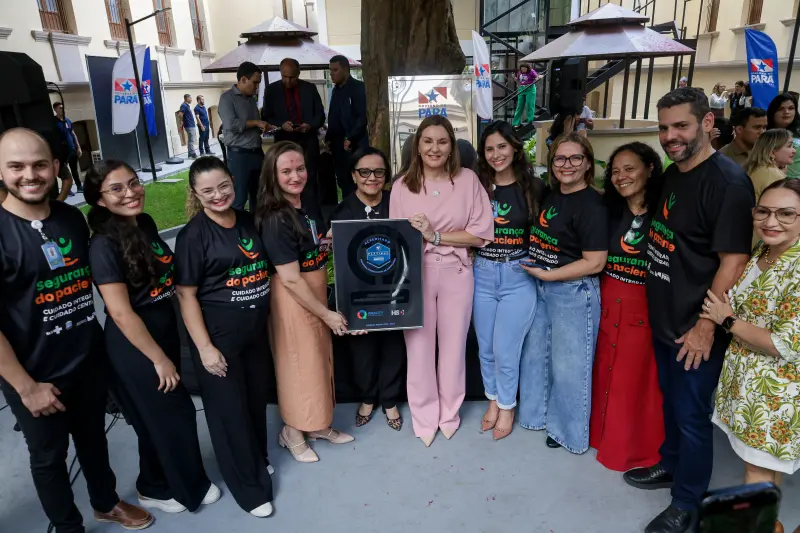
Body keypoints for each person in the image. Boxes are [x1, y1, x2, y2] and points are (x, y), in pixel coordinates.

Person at [0, 128, 153, 532]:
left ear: (55, 167)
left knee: (93, 440)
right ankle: (68, 527)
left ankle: (106, 503)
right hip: (34, 373)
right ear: (1, 171)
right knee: (49, 457)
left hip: (87, 360)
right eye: (16, 166)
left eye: (39, 165)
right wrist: (26, 387)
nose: (29, 175)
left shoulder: (70, 219)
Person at [623, 88, 754, 533]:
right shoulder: (674, 173)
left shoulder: (728, 184)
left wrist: (705, 326)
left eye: (681, 125)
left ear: (708, 123)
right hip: (667, 318)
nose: (670, 136)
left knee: (693, 416)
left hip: (695, 327)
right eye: (664, 128)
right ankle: (672, 464)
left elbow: (733, 262)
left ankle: (687, 503)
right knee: (673, 404)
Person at [84, 160, 219, 514]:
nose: (130, 192)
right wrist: (158, 359)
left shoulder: (143, 223)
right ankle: (187, 487)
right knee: (176, 414)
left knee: (154, 419)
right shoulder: (103, 245)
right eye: (116, 188)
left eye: (133, 182)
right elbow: (120, 313)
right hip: (136, 347)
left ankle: (152, 485)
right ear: (99, 199)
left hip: (164, 332)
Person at [174, 157, 274, 518]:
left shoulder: (246, 220)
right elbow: (185, 294)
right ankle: (249, 489)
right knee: (228, 413)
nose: (218, 195)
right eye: (208, 191)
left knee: (254, 402)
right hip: (218, 338)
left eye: (223, 186)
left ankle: (256, 459)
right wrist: (205, 349)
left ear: (233, 180)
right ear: (195, 193)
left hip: (254, 335)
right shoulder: (193, 236)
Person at [389, 115, 494, 447]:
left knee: (453, 347)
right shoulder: (402, 185)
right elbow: (395, 239)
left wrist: (434, 235)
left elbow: (480, 234)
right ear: (417, 146)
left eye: (442, 141)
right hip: (414, 275)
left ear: (452, 147)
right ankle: (423, 417)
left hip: (456, 273)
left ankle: (449, 413)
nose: (435, 148)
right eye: (428, 141)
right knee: (418, 348)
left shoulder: (467, 180)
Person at [707, 179, 800, 533]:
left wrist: (727, 320)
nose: (771, 221)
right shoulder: (764, 250)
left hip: (776, 393)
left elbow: (784, 344)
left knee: (756, 474)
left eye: (786, 214)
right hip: (748, 383)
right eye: (764, 211)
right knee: (765, 469)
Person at [256, 141, 353, 462]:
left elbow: (308, 248)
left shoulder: (303, 204)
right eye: (286, 171)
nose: (295, 176)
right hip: (293, 302)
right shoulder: (275, 218)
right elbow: (290, 278)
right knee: (297, 367)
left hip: (314, 295)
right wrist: (326, 314)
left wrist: (325, 243)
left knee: (317, 363)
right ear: (272, 175)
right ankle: (293, 431)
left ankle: (317, 424)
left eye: (300, 168)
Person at [519, 132, 608, 453]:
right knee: (536, 356)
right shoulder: (552, 195)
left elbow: (595, 262)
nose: (566, 165)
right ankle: (536, 417)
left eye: (575, 158)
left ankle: (569, 434)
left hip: (572, 290)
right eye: (560, 158)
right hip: (542, 285)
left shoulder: (593, 205)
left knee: (570, 365)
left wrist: (550, 275)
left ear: (587, 164)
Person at [590, 142, 666, 472]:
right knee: (603, 374)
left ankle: (633, 450)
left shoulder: (665, 213)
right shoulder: (608, 210)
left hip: (645, 308)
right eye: (615, 171)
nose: (621, 176)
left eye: (630, 168)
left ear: (650, 169)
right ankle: (599, 437)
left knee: (634, 383)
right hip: (608, 303)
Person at [474, 120, 543, 441]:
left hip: (518, 275)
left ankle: (507, 406)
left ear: (515, 148)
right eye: (489, 149)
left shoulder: (534, 187)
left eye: (502, 146)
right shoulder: (477, 187)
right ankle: (492, 400)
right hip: (482, 274)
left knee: (506, 349)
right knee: (486, 348)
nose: (496, 154)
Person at [331, 147, 405, 431]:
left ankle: (389, 400)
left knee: (393, 348)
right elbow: (338, 263)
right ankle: (367, 398)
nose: (372, 178)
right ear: (353, 175)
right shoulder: (342, 211)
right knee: (362, 353)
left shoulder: (397, 203)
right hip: (358, 296)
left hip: (395, 291)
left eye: (379, 172)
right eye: (364, 171)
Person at [262, 58, 326, 207]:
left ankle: (312, 211)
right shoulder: (271, 90)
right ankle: (288, 210)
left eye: (291, 77)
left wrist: (310, 125)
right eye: (284, 76)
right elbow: (266, 116)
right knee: (285, 179)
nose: (288, 81)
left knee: (309, 179)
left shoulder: (309, 88)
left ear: (298, 74)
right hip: (284, 141)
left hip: (307, 141)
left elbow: (320, 115)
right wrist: (281, 124)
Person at [218, 61, 270, 211]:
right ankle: (237, 226)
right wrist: (256, 122)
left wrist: (263, 127)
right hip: (238, 155)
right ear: (243, 79)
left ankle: (257, 224)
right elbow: (231, 124)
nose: (257, 87)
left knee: (260, 196)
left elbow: (252, 125)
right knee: (239, 198)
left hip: (256, 153)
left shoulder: (251, 99)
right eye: (255, 83)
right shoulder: (227, 98)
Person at [326, 55, 368, 201]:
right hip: (337, 145)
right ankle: (347, 208)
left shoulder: (358, 88)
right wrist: (328, 138)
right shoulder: (336, 90)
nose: (331, 74)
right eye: (330, 70)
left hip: (354, 144)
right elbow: (333, 116)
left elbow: (362, 116)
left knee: (356, 180)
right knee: (343, 181)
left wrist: (350, 137)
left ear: (345, 69)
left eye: (335, 70)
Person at [745, 129, 796, 202]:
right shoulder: (772, 174)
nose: (794, 151)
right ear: (772, 152)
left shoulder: (759, 169)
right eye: (789, 146)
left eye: (793, 146)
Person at [767, 93, 800, 179]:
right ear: (773, 112)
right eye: (780, 109)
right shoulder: (764, 135)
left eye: (791, 108)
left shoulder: (798, 131)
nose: (786, 112)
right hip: (776, 182)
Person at [53, 102, 82, 192]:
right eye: (60, 108)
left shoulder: (67, 120)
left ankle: (79, 187)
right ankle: (67, 190)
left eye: (63, 108)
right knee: (64, 172)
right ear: (55, 109)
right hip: (61, 151)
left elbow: (73, 133)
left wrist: (78, 147)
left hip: (72, 149)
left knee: (74, 169)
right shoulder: (53, 122)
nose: (62, 109)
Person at [512, 63, 538, 128]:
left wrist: (537, 78)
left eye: (524, 68)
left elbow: (536, 78)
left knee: (530, 104)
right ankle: (516, 123)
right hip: (522, 89)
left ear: (527, 68)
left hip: (530, 88)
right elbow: (518, 81)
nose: (523, 70)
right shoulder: (519, 73)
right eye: (522, 68)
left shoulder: (531, 71)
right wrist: (514, 78)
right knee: (520, 106)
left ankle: (530, 121)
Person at [178, 94, 198, 159]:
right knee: (191, 140)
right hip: (189, 125)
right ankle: (193, 154)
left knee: (190, 140)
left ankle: (190, 155)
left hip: (191, 124)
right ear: (186, 98)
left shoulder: (186, 105)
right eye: (190, 98)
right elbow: (180, 114)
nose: (191, 99)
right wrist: (182, 121)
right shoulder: (184, 105)